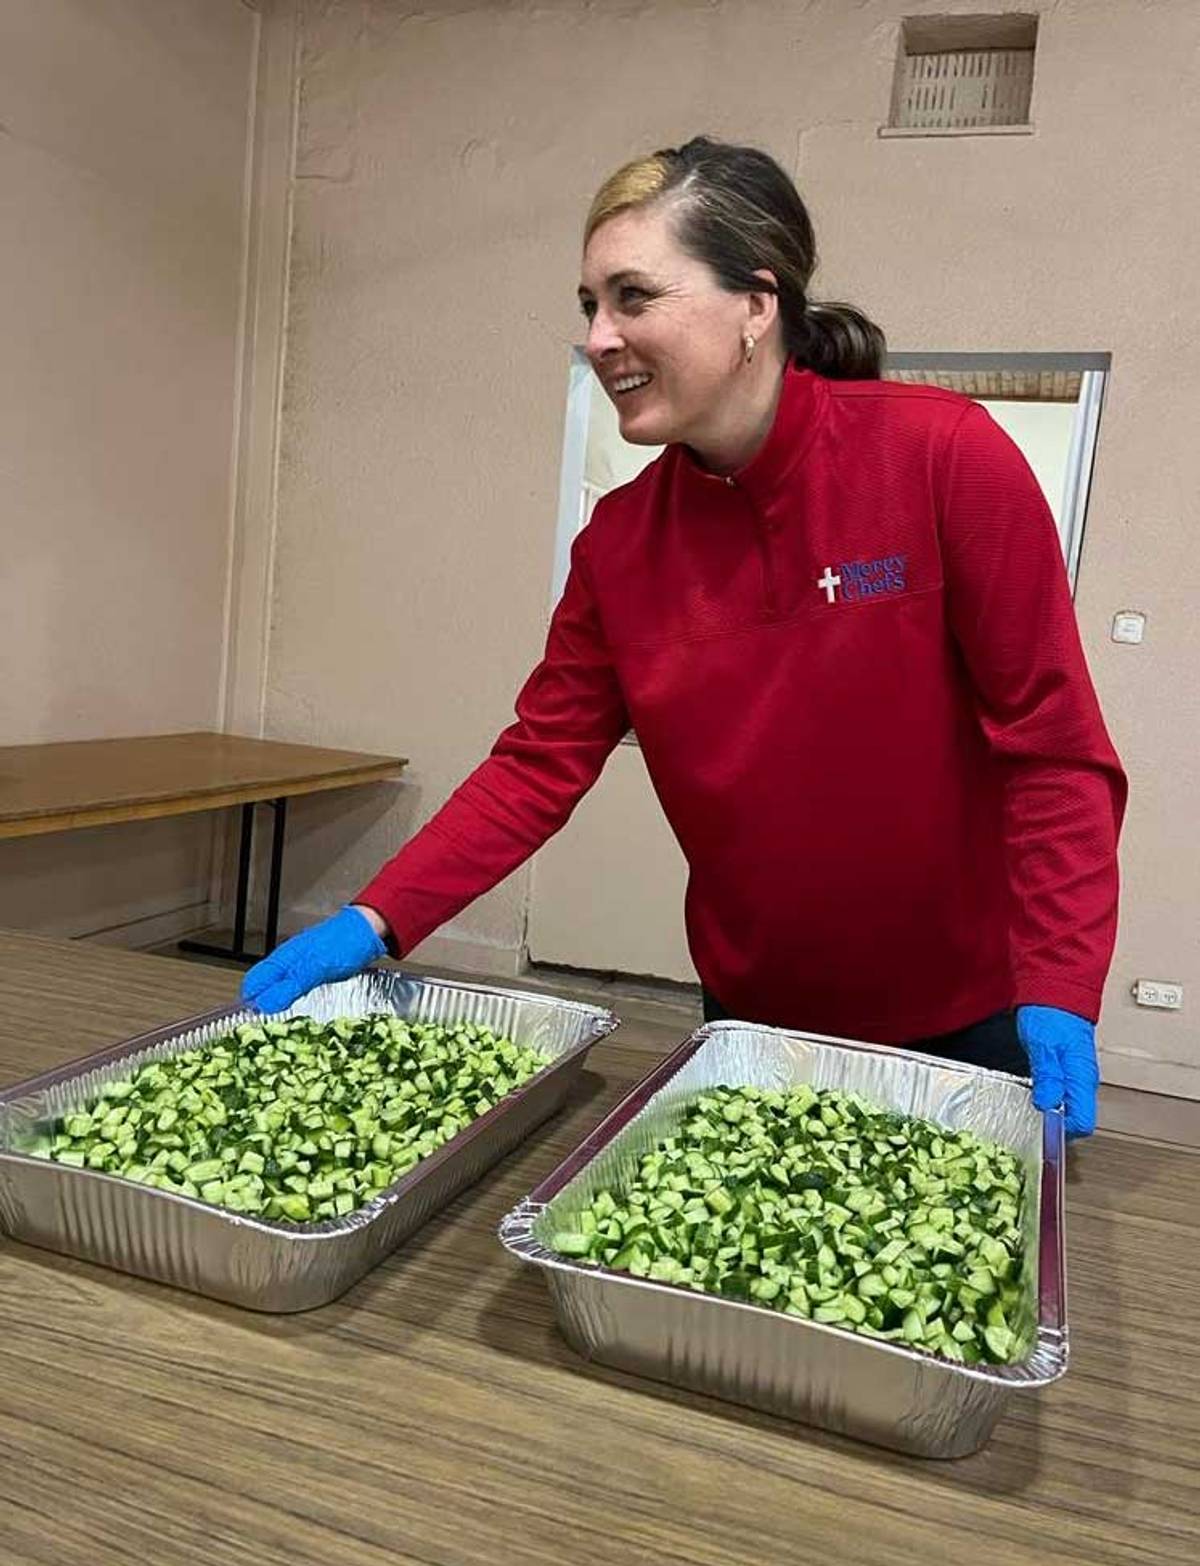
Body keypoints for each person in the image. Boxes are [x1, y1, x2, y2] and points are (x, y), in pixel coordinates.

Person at [243, 136, 1126, 1138]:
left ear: (757, 304)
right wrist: (378, 913)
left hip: (970, 1018)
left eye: (633, 296)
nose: (601, 336)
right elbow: (537, 765)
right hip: (753, 1015)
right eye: (589, 306)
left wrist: (1060, 978)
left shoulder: (941, 458)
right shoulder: (619, 546)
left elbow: (1053, 754)